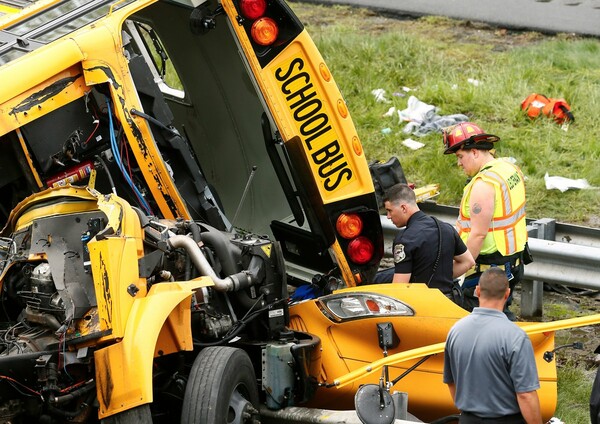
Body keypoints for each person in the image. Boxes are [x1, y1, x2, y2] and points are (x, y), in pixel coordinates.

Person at [442, 122, 529, 320]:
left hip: (488, 268)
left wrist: (459, 270)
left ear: (474, 152)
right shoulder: (509, 169)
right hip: (513, 260)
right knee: (500, 317)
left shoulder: (483, 185)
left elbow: (478, 233)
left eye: (460, 156)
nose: (459, 163)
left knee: (481, 321)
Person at [443, 267, 543, 424]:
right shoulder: (515, 337)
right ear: (507, 294)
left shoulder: (455, 331)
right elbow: (525, 395)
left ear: (477, 290)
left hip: (468, 419)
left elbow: (451, 382)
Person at [373, 183, 474, 305]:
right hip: (449, 303)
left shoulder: (405, 238)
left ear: (404, 208)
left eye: (389, 211)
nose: (388, 217)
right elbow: (468, 262)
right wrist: (442, 276)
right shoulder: (447, 229)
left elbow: (399, 289)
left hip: (421, 306)